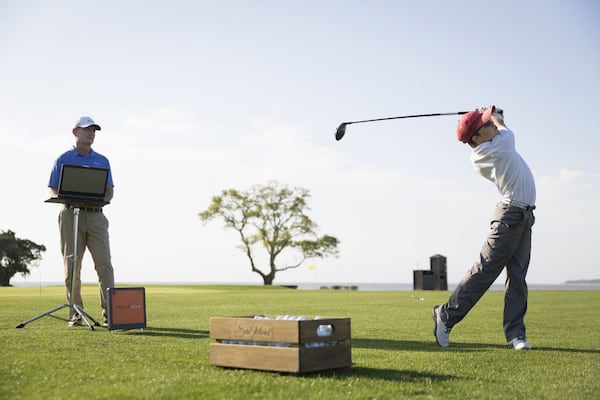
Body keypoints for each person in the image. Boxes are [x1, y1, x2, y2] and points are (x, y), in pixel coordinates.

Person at [432, 105, 536, 350]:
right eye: (485, 124)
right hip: (510, 216)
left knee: (517, 277)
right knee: (485, 270)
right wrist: (498, 117)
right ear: (476, 137)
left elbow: (498, 128)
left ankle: (515, 335)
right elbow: (505, 130)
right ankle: (446, 316)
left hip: (523, 216)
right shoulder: (493, 149)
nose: (491, 124)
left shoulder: (490, 144)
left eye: (489, 122)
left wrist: (490, 117)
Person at [48, 116, 115, 327]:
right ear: (75, 132)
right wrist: (70, 198)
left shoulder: (102, 160)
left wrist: (99, 200)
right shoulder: (63, 158)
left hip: (96, 216)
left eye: (94, 130)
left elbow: (109, 190)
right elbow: (53, 188)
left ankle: (111, 316)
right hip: (70, 215)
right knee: (72, 264)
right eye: (87, 130)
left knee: (104, 265)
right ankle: (76, 314)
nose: (91, 133)